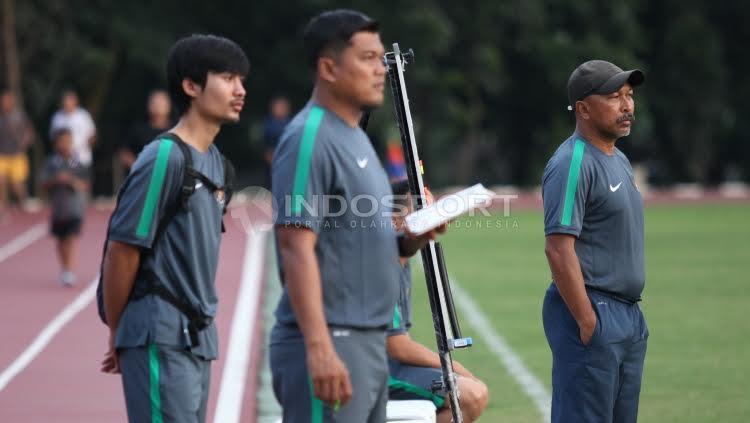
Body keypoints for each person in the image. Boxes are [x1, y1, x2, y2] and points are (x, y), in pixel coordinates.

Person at [270, 9, 446, 422]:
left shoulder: (355, 139)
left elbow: (363, 241)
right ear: (328, 67)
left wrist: (416, 235)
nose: (379, 69)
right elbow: (295, 248)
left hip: (366, 344)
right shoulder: (308, 138)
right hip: (332, 342)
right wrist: (318, 348)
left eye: (380, 58)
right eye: (367, 58)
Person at [99, 34, 248, 423]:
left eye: (241, 80)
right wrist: (119, 331)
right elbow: (122, 250)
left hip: (196, 339)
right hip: (159, 334)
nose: (240, 90)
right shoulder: (164, 157)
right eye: (229, 78)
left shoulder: (217, 163)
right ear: (191, 85)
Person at [542, 60, 648, 423]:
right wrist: (588, 320)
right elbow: (558, 247)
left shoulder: (619, 159)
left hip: (628, 317)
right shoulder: (572, 162)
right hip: (594, 311)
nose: (627, 106)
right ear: (584, 109)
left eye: (629, 96)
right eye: (614, 97)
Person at [386, 181, 488, 422]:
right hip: (379, 371)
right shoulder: (384, 263)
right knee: (471, 394)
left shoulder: (401, 258)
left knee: (473, 393)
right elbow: (397, 346)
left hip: (391, 365)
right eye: (420, 213)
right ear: (395, 221)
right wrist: (455, 368)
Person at [41, 128, 89, 286]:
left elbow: (85, 184)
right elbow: (43, 183)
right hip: (58, 209)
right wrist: (56, 180)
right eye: (62, 141)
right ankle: (64, 268)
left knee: (71, 238)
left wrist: (72, 181)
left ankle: (69, 269)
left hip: (74, 208)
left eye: (69, 141)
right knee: (60, 240)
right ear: (56, 144)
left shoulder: (76, 163)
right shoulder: (52, 163)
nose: (66, 145)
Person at [119, 90, 174, 173]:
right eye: (154, 103)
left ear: (169, 106)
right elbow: (124, 153)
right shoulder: (138, 129)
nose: (157, 108)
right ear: (148, 105)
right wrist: (139, 167)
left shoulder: (177, 130)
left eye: (161, 104)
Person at [0, 89, 34, 216]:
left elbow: (29, 132)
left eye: (7, 101)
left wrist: (25, 142)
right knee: (1, 181)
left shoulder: (19, 116)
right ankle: (2, 207)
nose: (5, 103)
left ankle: (23, 202)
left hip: (16, 155)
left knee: (16, 184)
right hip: (2, 155)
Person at [49, 90, 96, 167]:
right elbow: (53, 138)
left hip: (82, 158)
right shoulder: (57, 117)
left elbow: (92, 136)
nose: (67, 104)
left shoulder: (83, 116)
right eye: (65, 101)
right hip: (62, 160)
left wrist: (82, 148)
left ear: (75, 102)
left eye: (69, 101)